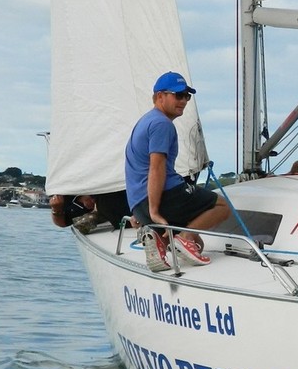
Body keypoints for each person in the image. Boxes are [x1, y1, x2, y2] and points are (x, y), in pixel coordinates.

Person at [125, 71, 230, 271]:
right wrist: (154, 211)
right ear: (159, 96)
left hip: (138, 200)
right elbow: (157, 167)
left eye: (186, 96)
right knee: (222, 207)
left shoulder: (145, 121)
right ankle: (184, 237)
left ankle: (159, 241)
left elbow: (134, 166)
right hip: (161, 197)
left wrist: (139, 210)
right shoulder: (161, 124)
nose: (183, 101)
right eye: (178, 95)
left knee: (199, 245)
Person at [49, 191, 131, 233]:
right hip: (100, 211)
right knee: (83, 224)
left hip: (114, 199)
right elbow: (62, 223)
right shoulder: (64, 197)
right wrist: (56, 209)